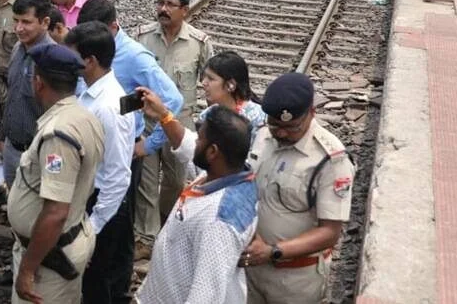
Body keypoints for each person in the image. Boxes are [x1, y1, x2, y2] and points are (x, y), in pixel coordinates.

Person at [75, 0, 183, 269]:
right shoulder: (85, 50)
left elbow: (172, 100)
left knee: (116, 225)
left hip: (118, 151)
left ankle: (113, 280)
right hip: (88, 146)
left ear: (113, 27)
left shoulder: (134, 56)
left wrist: (149, 145)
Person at [135, 92, 259, 304]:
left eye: (200, 138)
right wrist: (164, 116)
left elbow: (206, 296)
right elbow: (186, 145)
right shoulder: (224, 175)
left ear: (212, 152)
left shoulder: (219, 222)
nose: (196, 141)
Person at [243, 73, 355, 304]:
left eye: (292, 127)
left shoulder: (331, 160)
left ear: (311, 113)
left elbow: (330, 232)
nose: (282, 133)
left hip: (295, 281)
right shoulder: (264, 136)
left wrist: (273, 251)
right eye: (276, 125)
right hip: (251, 271)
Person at [7, 43, 105, 304]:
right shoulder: (83, 116)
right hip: (60, 244)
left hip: (48, 260)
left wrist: (27, 269)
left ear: (38, 82)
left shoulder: (59, 135)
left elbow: (55, 212)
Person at [134, 0, 214, 258]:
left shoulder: (199, 43)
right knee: (145, 181)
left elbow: (210, 82)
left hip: (179, 126)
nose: (163, 9)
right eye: (160, 4)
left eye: (170, 5)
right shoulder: (143, 37)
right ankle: (146, 238)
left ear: (185, 10)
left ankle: (166, 225)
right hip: (148, 123)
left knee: (176, 180)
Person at [64, 22, 138, 304]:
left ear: (90, 61)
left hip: (103, 205)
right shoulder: (90, 92)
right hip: (90, 198)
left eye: (73, 57)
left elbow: (117, 175)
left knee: (99, 282)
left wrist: (94, 226)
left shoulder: (109, 107)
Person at [0, 0, 57, 186]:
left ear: (45, 22)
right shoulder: (18, 48)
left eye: (26, 22)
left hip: (37, 154)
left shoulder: (52, 59)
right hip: (11, 148)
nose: (18, 28)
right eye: (16, 21)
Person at [199, 51, 265, 142]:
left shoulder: (257, 117)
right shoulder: (207, 115)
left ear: (231, 85)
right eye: (204, 77)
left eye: (211, 79)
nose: (203, 83)